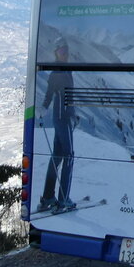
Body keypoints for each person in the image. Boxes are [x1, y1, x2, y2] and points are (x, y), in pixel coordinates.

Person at [37, 42, 77, 213]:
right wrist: (44, 108)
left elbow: (69, 96)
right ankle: (63, 199)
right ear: (56, 53)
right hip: (63, 119)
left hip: (61, 117)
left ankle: (47, 197)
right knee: (69, 156)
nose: (64, 53)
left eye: (66, 50)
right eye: (61, 51)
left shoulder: (63, 69)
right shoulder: (59, 72)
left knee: (57, 157)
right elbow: (50, 94)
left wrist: (73, 114)